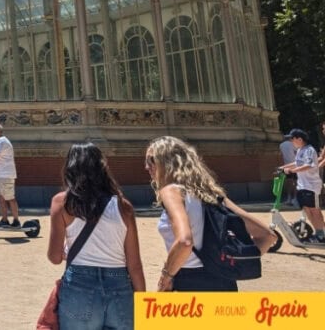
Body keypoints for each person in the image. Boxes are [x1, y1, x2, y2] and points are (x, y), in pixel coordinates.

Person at [145, 136, 275, 292]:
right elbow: (268, 236)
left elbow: (185, 242)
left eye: (151, 160)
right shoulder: (212, 195)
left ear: (167, 161)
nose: (147, 167)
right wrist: (233, 262)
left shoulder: (171, 191)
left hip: (188, 282)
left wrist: (166, 276)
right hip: (224, 281)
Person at [47, 143, 145, 328]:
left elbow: (54, 257)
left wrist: (67, 251)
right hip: (119, 286)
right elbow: (135, 265)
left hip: (79, 285)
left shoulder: (61, 203)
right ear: (102, 168)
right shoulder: (124, 206)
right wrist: (142, 302)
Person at [279, 128, 325, 242]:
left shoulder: (309, 150)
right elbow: (297, 163)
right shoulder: (300, 150)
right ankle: (318, 232)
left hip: (311, 186)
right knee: (307, 209)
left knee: (315, 210)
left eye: (292, 139)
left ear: (299, 139)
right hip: (302, 186)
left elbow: (309, 165)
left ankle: (321, 235)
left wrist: (292, 171)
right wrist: (284, 167)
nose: (291, 142)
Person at [279, 135, 298, 207]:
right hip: (295, 165)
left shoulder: (281, 145)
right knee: (296, 182)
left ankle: (289, 198)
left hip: (286, 166)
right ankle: (295, 198)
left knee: (289, 182)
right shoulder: (293, 144)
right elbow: (296, 153)